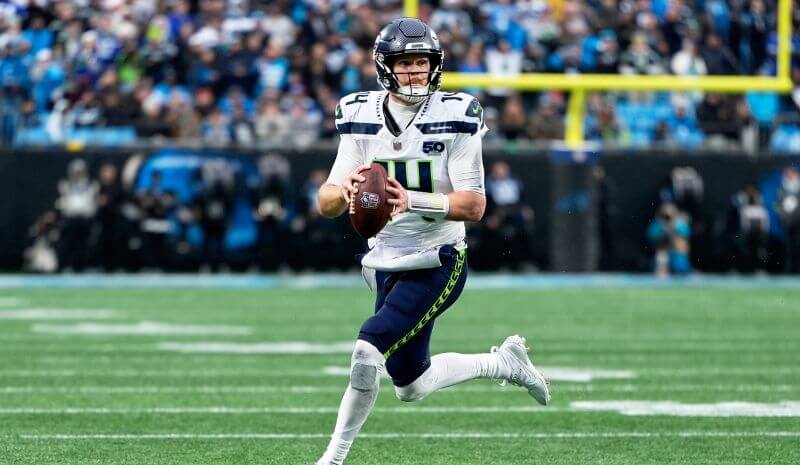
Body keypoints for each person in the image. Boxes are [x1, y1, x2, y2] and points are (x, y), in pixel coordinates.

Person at [315, 18, 550, 465]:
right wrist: (343, 193)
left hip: (439, 257)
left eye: (423, 62)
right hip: (385, 259)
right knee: (410, 384)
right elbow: (326, 199)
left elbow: (474, 206)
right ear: (385, 67)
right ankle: (503, 364)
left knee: (368, 350)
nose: (416, 72)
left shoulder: (456, 114)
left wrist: (412, 200)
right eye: (406, 64)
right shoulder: (360, 114)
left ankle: (332, 459)